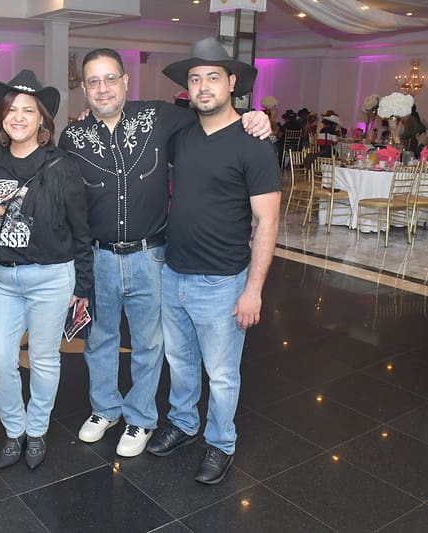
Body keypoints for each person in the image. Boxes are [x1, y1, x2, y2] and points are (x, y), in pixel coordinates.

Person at [58, 48, 271, 458]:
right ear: (84, 89)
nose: (103, 88)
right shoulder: (73, 138)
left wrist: (253, 116)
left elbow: (215, 117)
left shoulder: (159, 117)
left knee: (149, 343)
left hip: (151, 257)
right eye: (94, 82)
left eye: (110, 78)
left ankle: (140, 417)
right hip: (99, 257)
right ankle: (104, 409)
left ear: (126, 81)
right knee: (99, 340)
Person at [151, 38, 281, 484]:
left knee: (222, 374)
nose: (203, 86)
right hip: (174, 272)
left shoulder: (254, 143)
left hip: (223, 281)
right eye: (195, 79)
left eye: (212, 77)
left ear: (231, 83)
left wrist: (253, 290)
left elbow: (267, 222)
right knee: (180, 361)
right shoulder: (182, 136)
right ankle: (184, 423)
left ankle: (221, 442)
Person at [0, 69, 93, 469]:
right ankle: (15, 429)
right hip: (5, 280)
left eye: (28, 110)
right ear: (2, 117)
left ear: (42, 118)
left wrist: (83, 285)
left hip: (51, 278)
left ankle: (37, 430)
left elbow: (81, 230)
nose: (19, 117)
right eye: (11, 109)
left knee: (43, 359)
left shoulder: (61, 165)